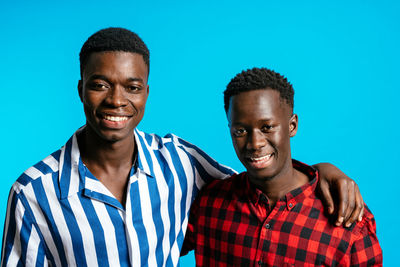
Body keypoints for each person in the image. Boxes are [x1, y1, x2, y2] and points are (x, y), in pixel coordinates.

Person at [2, 28, 364, 267]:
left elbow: (259, 179)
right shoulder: (34, 192)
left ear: (146, 93)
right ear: (81, 90)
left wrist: (322, 171)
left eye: (132, 86)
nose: (116, 100)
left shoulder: (179, 162)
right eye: (100, 85)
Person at [182, 67, 383, 266]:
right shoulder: (208, 204)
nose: (255, 143)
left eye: (267, 127)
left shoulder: (347, 219)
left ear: (292, 125)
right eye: (241, 131)